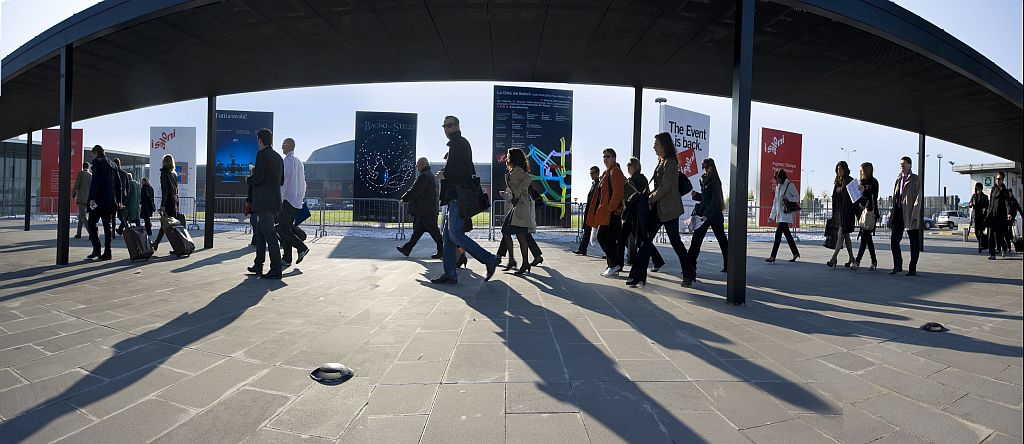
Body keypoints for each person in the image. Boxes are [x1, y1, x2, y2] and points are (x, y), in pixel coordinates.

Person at [430, 115, 497, 284]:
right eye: (444, 126)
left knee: (455, 234)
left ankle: (489, 259)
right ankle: (450, 273)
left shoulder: (460, 143)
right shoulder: (456, 144)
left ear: (457, 125)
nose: (447, 128)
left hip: (458, 196)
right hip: (455, 195)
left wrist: (445, 174)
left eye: (450, 125)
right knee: (447, 237)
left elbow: (464, 170)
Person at [633, 133, 696, 287]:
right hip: (659, 209)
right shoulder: (661, 162)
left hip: (669, 210)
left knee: (675, 242)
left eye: (657, 144)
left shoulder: (671, 163)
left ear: (664, 146)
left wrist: (649, 199)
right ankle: (638, 276)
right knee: (646, 241)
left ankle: (689, 273)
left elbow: (665, 187)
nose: (654, 147)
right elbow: (658, 187)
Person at [246, 128, 286, 278]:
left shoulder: (262, 154)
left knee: (269, 235)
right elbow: (281, 181)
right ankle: (258, 265)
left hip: (263, 201)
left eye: (258, 140)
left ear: (260, 140)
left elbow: (259, 178)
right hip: (273, 201)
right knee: (261, 234)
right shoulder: (278, 157)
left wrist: (249, 179)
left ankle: (276, 269)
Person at [585, 148, 626, 277]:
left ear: (614, 158)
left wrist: (610, 208)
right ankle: (613, 266)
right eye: (604, 156)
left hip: (610, 213)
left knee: (602, 237)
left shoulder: (615, 171)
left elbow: (618, 192)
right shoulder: (606, 173)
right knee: (610, 239)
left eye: (608, 156)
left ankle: (614, 264)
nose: (605, 159)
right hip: (606, 213)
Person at [500, 148, 538, 275]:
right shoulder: (514, 170)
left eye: (508, 156)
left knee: (519, 235)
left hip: (520, 206)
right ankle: (513, 260)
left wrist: (517, 193)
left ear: (514, 158)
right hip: (517, 206)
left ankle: (523, 262)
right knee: (510, 232)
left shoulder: (518, 170)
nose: (506, 158)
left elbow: (528, 179)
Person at [689, 158, 728, 275]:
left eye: (707, 167)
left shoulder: (715, 180)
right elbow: (706, 198)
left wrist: (706, 215)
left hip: (712, 214)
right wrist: (696, 195)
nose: (705, 170)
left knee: (722, 241)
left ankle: (729, 264)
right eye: (703, 167)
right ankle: (690, 265)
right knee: (696, 239)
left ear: (712, 167)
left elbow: (715, 200)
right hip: (706, 214)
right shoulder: (704, 179)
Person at [398, 157, 443, 258]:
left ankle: (443, 250)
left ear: (423, 164)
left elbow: (415, 190)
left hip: (426, 210)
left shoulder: (424, 176)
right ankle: (407, 249)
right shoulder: (430, 175)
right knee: (418, 231)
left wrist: (404, 199)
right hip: (427, 209)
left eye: (417, 164)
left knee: (434, 232)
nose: (416, 166)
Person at [85, 145, 122, 260]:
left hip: (98, 200)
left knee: (91, 223)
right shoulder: (113, 164)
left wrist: (92, 198)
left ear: (96, 152)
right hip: (111, 201)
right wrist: (119, 200)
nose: (93, 157)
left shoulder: (97, 162)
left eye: (93, 154)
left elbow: (96, 182)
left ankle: (96, 249)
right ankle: (107, 252)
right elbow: (119, 184)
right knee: (108, 227)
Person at [279, 138, 310, 267]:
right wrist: (301, 197)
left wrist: (280, 199)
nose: (281, 147)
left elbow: (283, 181)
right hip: (296, 200)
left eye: (283, 145)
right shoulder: (299, 162)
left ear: (289, 146)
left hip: (287, 199)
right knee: (286, 228)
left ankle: (301, 247)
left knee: (282, 229)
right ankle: (286, 258)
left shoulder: (287, 161)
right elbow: (304, 183)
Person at [890, 156, 922, 276]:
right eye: (900, 164)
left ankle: (912, 268)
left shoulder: (915, 179)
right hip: (898, 213)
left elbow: (918, 198)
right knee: (894, 240)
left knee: (914, 242)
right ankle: (897, 265)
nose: (901, 166)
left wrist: (914, 214)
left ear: (910, 165)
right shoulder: (898, 179)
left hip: (910, 214)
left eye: (903, 164)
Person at [766, 168, 800, 263]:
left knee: (778, 234)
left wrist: (788, 197)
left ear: (783, 177)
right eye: (776, 178)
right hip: (780, 215)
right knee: (788, 235)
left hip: (785, 215)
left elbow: (797, 197)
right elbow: (775, 203)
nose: (777, 180)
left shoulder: (790, 185)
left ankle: (773, 256)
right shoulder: (778, 187)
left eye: (778, 178)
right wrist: (771, 217)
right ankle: (795, 253)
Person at [827, 161, 856, 269]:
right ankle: (852, 258)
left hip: (846, 213)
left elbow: (852, 196)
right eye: (838, 169)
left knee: (841, 234)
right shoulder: (838, 181)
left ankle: (833, 258)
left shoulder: (848, 180)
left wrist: (842, 189)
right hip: (839, 213)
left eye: (841, 168)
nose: (839, 170)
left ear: (845, 169)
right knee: (846, 236)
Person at [620, 157, 647, 269]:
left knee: (638, 239)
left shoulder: (638, 179)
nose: (627, 168)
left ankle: (623, 263)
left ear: (635, 166)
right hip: (633, 213)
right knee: (635, 238)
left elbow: (639, 196)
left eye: (629, 165)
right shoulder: (636, 179)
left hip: (634, 213)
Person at [852, 162, 879, 271]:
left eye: (862, 171)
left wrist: (865, 190)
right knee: (868, 239)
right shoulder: (861, 182)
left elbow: (874, 197)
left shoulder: (874, 182)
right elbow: (859, 198)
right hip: (861, 212)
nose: (861, 173)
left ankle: (857, 262)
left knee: (865, 237)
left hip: (870, 212)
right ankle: (874, 261)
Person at [152, 154, 181, 252]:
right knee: (170, 224)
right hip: (174, 200)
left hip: (168, 200)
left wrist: (163, 205)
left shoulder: (164, 173)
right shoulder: (174, 173)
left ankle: (176, 246)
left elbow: (165, 190)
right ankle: (157, 244)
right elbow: (176, 189)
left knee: (166, 224)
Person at [572, 166, 600, 255]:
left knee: (600, 234)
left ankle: (608, 253)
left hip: (595, 212)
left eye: (593, 173)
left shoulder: (599, 185)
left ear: (597, 173)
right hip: (590, 211)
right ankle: (582, 249)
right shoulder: (594, 184)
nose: (591, 175)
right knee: (587, 231)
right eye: (590, 173)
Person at [986, 172, 1011, 259]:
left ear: (1002, 180)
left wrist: (1008, 213)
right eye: (996, 178)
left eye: (999, 179)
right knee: (991, 235)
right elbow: (991, 202)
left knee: (999, 236)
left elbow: (1007, 203)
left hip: (1001, 216)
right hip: (992, 215)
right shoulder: (993, 188)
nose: (997, 180)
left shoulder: (1004, 191)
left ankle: (1004, 248)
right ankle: (992, 254)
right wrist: (988, 213)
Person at [71, 162, 91, 239]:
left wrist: (73, 194)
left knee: (82, 216)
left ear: (82, 167)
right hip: (88, 199)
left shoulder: (80, 174)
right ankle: (78, 233)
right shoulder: (91, 175)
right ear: (88, 167)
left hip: (81, 198)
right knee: (80, 216)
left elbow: (76, 185)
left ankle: (91, 233)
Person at [968, 182, 989, 253]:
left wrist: (985, 209)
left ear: (981, 189)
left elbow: (987, 205)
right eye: (977, 189)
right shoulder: (973, 196)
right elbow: (970, 204)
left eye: (979, 189)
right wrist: (970, 204)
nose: (978, 191)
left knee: (980, 232)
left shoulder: (985, 197)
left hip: (982, 217)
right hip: (975, 217)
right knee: (977, 232)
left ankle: (981, 246)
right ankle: (984, 244)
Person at [113, 158, 130, 236]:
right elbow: (127, 187)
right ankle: (125, 229)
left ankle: (112, 232)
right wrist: (126, 195)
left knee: (112, 216)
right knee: (122, 215)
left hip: (113, 197)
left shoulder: (112, 173)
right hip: (123, 197)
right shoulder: (124, 173)